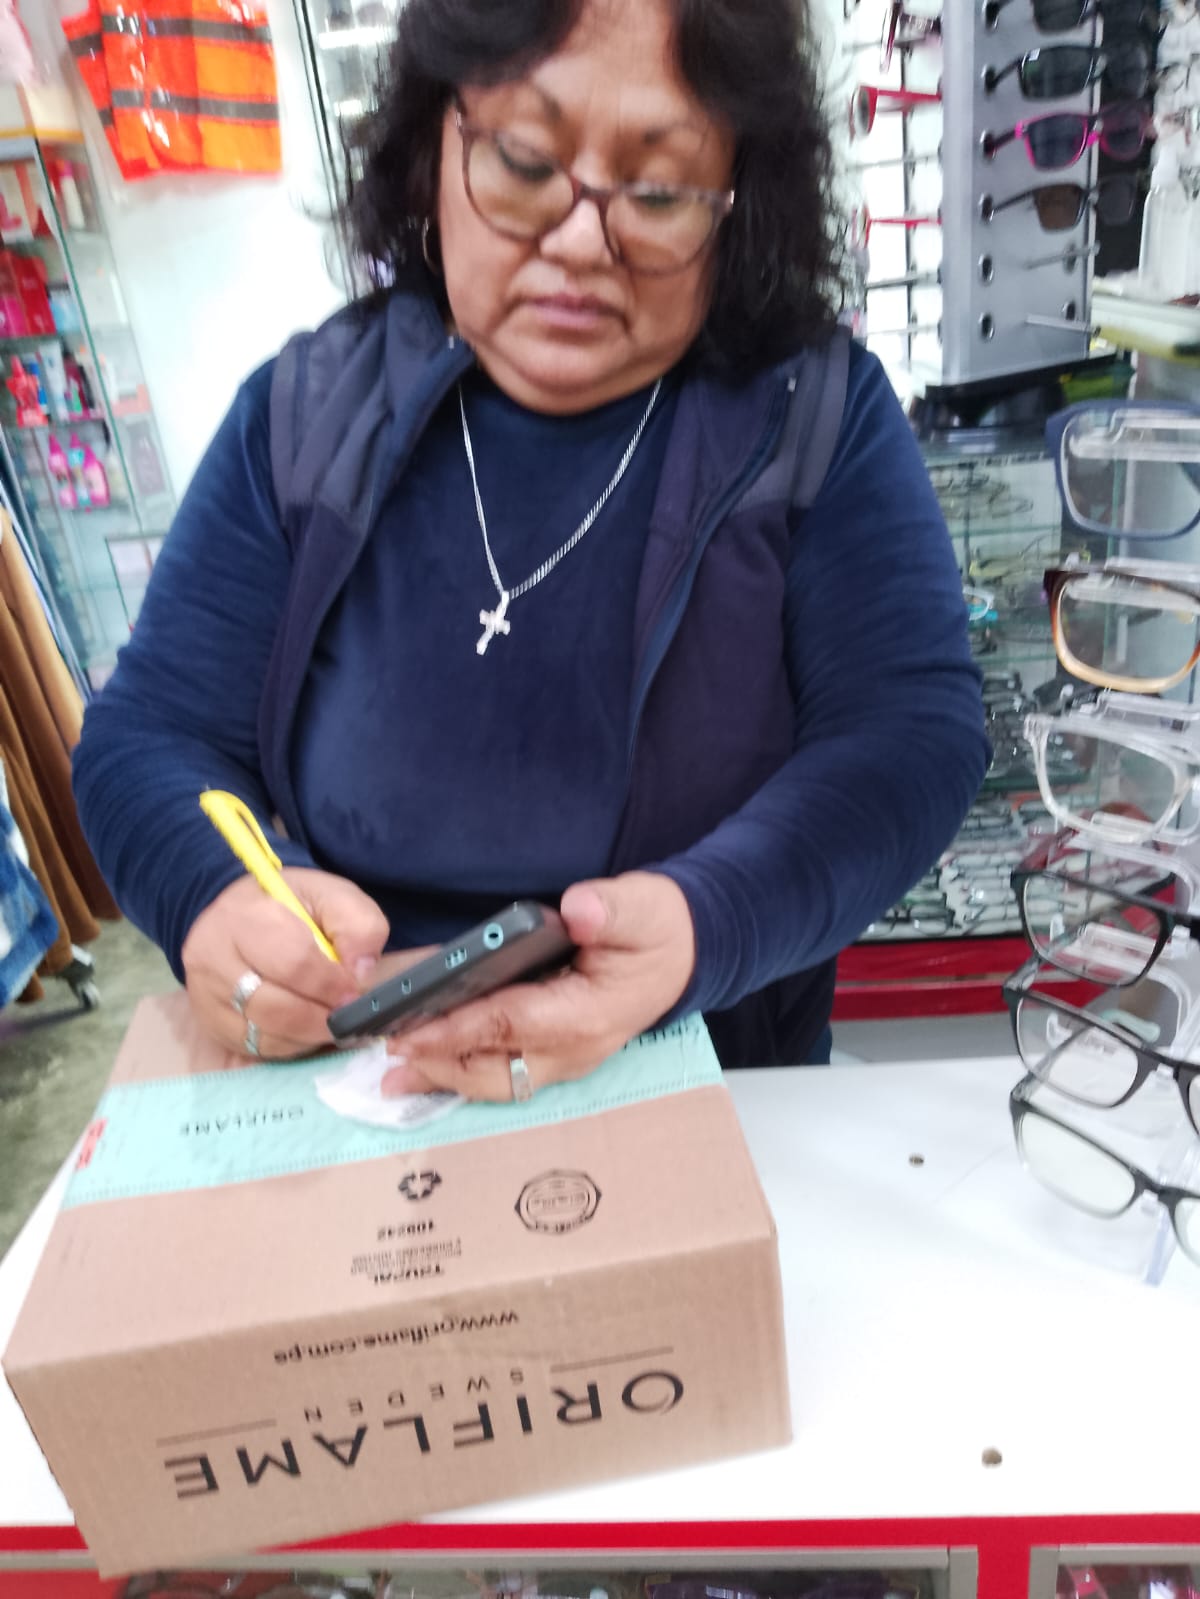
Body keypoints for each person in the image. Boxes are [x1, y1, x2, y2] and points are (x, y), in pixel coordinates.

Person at [73, 0, 989, 1102]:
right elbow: (151, 734)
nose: (580, 243)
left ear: (738, 204)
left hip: (713, 1080)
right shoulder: (304, 418)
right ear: (434, 148)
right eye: (521, 163)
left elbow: (912, 737)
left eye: (659, 192)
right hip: (359, 1093)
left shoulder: (816, 420)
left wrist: (706, 921)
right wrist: (213, 893)